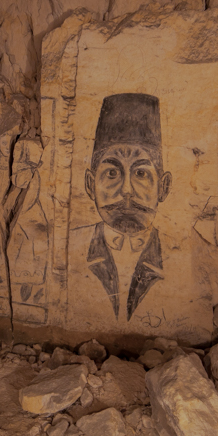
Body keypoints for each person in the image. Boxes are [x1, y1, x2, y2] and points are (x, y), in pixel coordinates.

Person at [73, 93, 172, 322]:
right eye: (112, 173)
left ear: (163, 187)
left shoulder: (178, 255)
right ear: (89, 184)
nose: (126, 190)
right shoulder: (70, 246)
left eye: (141, 173)